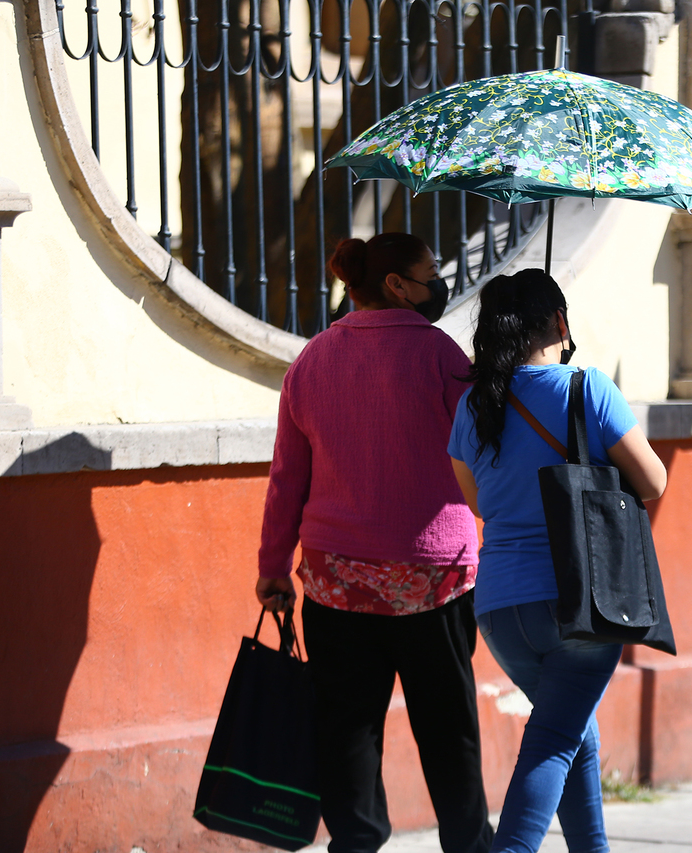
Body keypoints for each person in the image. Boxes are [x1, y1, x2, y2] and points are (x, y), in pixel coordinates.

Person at [255, 233, 494, 853]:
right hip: (433, 578)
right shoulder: (443, 357)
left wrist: (274, 566)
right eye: (428, 272)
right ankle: (469, 845)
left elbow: (288, 477)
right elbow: (482, 456)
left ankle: (356, 844)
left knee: (348, 729)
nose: (438, 282)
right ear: (396, 284)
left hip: (338, 581)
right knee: (449, 728)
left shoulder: (312, 361)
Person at [447, 269, 667, 853]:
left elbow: (478, 500)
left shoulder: (473, 407)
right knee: (553, 740)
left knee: (573, 732)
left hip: (499, 608)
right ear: (560, 324)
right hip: (580, 600)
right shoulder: (587, 388)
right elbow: (652, 481)